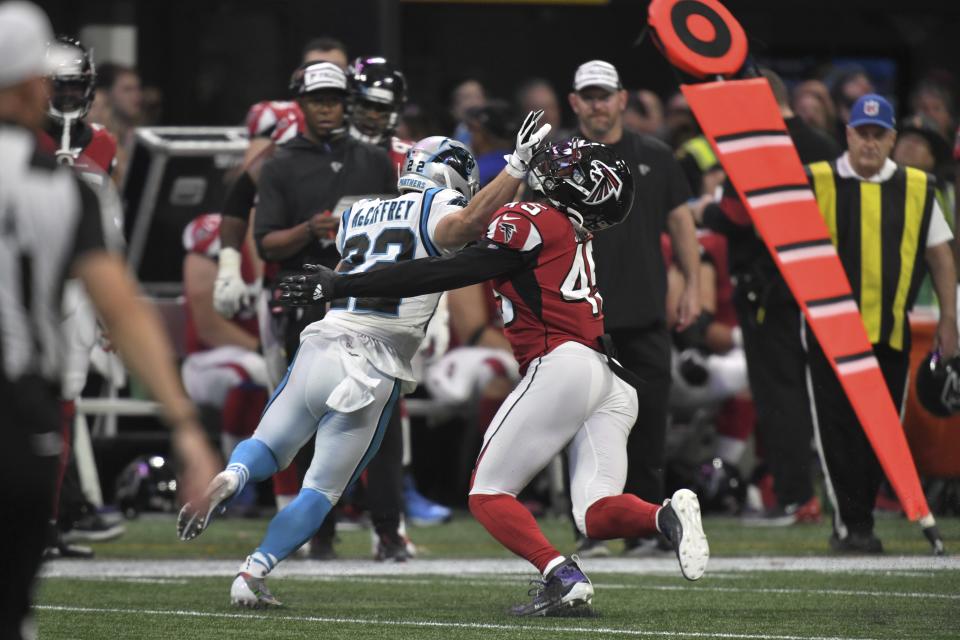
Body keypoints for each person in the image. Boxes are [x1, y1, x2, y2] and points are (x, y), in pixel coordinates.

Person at [281, 138, 710, 615]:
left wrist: (342, 283)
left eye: (564, 165)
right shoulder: (574, 230)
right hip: (608, 380)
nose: (551, 165)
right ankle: (664, 514)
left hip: (562, 365)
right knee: (593, 514)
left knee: (487, 494)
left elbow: (444, 273)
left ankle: (561, 577)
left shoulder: (530, 219)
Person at [176, 111, 552, 606]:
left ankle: (232, 476)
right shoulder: (437, 205)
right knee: (322, 489)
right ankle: (251, 573)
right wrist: (517, 168)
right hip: (372, 364)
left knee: (268, 444)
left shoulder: (359, 212)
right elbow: (466, 223)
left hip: (321, 339)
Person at [0, 3, 218, 636]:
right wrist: (183, 425)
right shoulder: (59, 186)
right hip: (18, 408)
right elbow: (121, 305)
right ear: (31, 83)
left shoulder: (83, 160)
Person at [805, 94, 957, 552]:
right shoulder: (817, 181)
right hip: (828, 331)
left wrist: (950, 317)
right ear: (847, 134)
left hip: (891, 328)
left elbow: (940, 256)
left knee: (881, 430)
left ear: (892, 139)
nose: (869, 143)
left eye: (878, 135)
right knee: (836, 431)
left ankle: (861, 519)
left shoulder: (917, 187)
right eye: (861, 133)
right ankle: (850, 524)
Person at [567, 59, 701, 556]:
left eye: (606, 94)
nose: (598, 104)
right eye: (589, 95)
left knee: (649, 425)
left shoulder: (656, 155)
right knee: (580, 426)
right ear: (574, 102)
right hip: (579, 316)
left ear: (623, 98)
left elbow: (681, 223)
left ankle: (648, 526)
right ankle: (591, 526)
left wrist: (692, 285)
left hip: (644, 312)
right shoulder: (559, 159)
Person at [700, 68, 839, 526]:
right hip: (825, 288)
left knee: (781, 395)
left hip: (770, 290)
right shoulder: (823, 146)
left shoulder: (759, 143)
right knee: (822, 396)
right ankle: (841, 498)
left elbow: (740, 216)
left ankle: (795, 498)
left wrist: (710, 211)